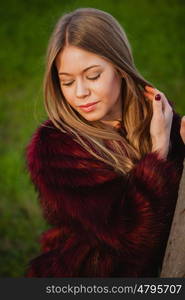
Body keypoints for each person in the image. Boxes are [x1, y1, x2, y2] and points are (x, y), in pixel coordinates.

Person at [25, 7, 185, 277]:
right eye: (66, 82)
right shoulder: (57, 148)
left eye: (93, 76)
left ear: (120, 69)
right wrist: (158, 153)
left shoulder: (156, 116)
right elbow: (131, 235)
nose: (80, 93)